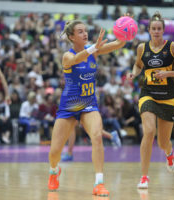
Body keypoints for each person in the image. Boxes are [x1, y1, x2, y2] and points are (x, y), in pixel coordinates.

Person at [47, 19, 126, 197]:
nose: (85, 34)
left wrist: (126, 28)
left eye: (85, 31)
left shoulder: (94, 50)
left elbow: (119, 44)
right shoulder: (67, 56)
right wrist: (93, 48)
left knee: (97, 137)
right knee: (54, 152)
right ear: (71, 37)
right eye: (80, 31)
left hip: (89, 104)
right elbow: (77, 58)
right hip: (69, 107)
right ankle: (54, 171)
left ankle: (99, 183)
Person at [127, 12, 174, 189]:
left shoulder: (173, 47)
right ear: (148, 30)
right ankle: (144, 177)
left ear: (163, 30)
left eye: (159, 29)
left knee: (163, 142)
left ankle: (169, 153)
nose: (156, 31)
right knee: (148, 132)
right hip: (148, 94)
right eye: (153, 28)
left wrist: (168, 73)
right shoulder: (142, 48)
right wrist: (134, 72)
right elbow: (138, 65)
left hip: (169, 97)